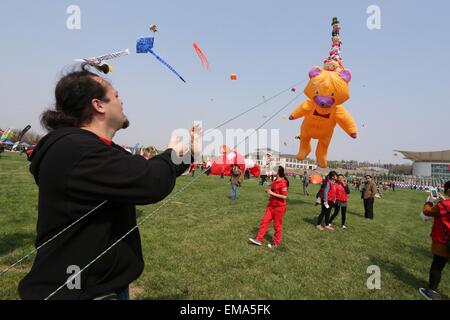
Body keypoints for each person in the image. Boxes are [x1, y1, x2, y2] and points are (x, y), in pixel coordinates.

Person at [18, 68, 200, 300]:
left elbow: (140, 171)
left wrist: (188, 155)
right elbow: (149, 182)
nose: (121, 101)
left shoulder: (93, 149)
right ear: (99, 105)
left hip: (99, 288)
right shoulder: (75, 149)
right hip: (77, 293)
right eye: (115, 95)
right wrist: (171, 153)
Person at [419, 181, 450, 300]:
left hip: (443, 240)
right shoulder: (445, 203)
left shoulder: (445, 205)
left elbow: (427, 212)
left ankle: (432, 291)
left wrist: (429, 201)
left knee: (437, 266)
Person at [249, 166, 289, 249]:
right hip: (271, 206)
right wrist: (268, 189)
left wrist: (271, 193)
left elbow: (284, 197)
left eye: (274, 170)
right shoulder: (275, 181)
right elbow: (271, 187)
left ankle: (276, 243)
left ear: (278, 172)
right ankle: (259, 239)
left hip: (279, 208)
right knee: (264, 221)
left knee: (277, 226)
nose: (272, 171)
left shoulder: (283, 183)